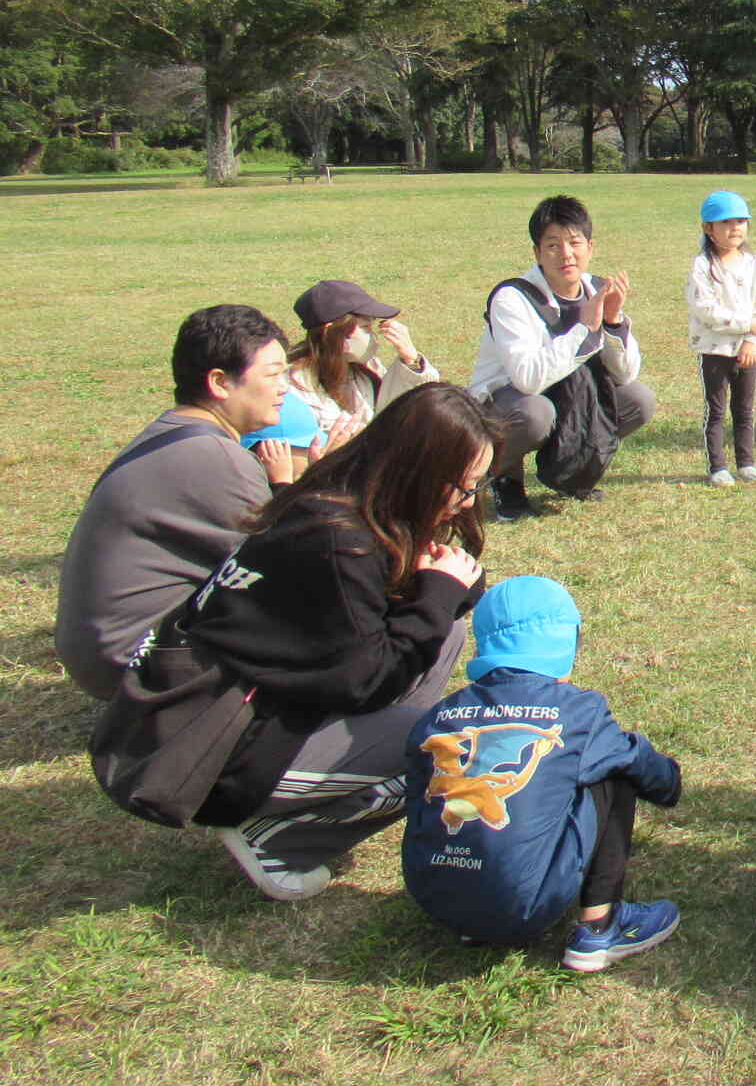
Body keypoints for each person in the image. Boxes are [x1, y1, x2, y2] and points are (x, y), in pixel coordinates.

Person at [123, 382, 494, 901]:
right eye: (464, 486)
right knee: (440, 746)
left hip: (248, 710)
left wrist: (443, 590)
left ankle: (345, 768)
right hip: (214, 753)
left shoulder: (340, 503)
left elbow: (391, 637)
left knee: (444, 625)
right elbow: (365, 680)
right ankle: (278, 837)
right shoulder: (342, 543)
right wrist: (435, 591)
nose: (468, 501)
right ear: (420, 474)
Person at [402, 576, 683, 972]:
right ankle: (600, 928)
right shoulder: (578, 712)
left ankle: (473, 917)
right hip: (524, 902)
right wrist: (670, 779)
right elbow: (649, 773)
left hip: (434, 899)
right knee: (614, 766)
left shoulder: (439, 715)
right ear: (566, 641)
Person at [56, 305, 295, 700]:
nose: (284, 386)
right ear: (220, 382)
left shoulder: (173, 430)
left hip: (101, 651)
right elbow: (287, 565)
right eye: (273, 374)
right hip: (132, 663)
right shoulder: (215, 458)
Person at [470, 195, 655, 522]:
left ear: (590, 247)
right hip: (509, 401)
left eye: (574, 242)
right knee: (534, 413)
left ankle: (572, 470)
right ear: (537, 253)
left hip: (569, 397)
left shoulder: (597, 289)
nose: (566, 254)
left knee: (638, 399)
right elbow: (527, 378)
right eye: (553, 245)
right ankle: (505, 478)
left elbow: (625, 375)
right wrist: (585, 329)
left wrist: (612, 323)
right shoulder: (512, 298)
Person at [285, 278, 439, 446]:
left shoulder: (367, 369)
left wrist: (411, 360)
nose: (374, 337)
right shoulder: (295, 385)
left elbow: (406, 408)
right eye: (366, 328)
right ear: (331, 332)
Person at [687, 189, 756, 487]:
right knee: (717, 409)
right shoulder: (702, 266)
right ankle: (717, 467)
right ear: (708, 229)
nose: (734, 227)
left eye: (740, 221)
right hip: (714, 350)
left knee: (745, 409)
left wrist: (751, 339)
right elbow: (706, 310)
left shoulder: (754, 265)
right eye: (725, 222)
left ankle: (746, 463)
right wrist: (744, 324)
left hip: (747, 351)